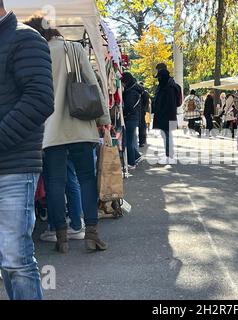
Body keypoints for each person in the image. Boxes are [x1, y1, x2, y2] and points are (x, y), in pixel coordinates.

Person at [25, 16, 111, 253]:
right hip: (81, 126)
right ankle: (91, 233)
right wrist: (104, 121)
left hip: (50, 131)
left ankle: (61, 237)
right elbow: (93, 84)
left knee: (55, 182)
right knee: (86, 179)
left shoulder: (34, 54)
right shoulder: (74, 49)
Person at [0, 6, 54, 300]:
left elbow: (40, 100)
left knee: (15, 260)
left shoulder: (25, 38)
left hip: (14, 167)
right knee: (8, 262)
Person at [40, 160, 85, 242]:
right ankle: (77, 224)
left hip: (50, 148)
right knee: (71, 179)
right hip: (70, 148)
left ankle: (55, 228)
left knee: (52, 182)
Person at [153, 68, 178, 165]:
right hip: (168, 116)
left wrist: (161, 113)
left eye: (159, 77)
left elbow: (169, 104)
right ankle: (169, 154)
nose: (158, 79)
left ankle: (169, 155)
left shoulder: (168, 87)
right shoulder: (169, 85)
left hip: (166, 116)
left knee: (167, 136)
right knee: (167, 136)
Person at [122, 72, 143, 168]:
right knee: (129, 140)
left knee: (128, 141)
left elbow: (129, 106)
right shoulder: (135, 90)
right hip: (134, 118)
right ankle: (136, 156)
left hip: (130, 118)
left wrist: (123, 112)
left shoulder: (131, 92)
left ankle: (131, 163)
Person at [139, 82, 150, 147]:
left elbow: (147, 104)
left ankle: (142, 141)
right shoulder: (145, 93)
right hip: (144, 112)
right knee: (143, 127)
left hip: (143, 112)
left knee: (143, 126)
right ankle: (142, 141)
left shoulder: (144, 93)